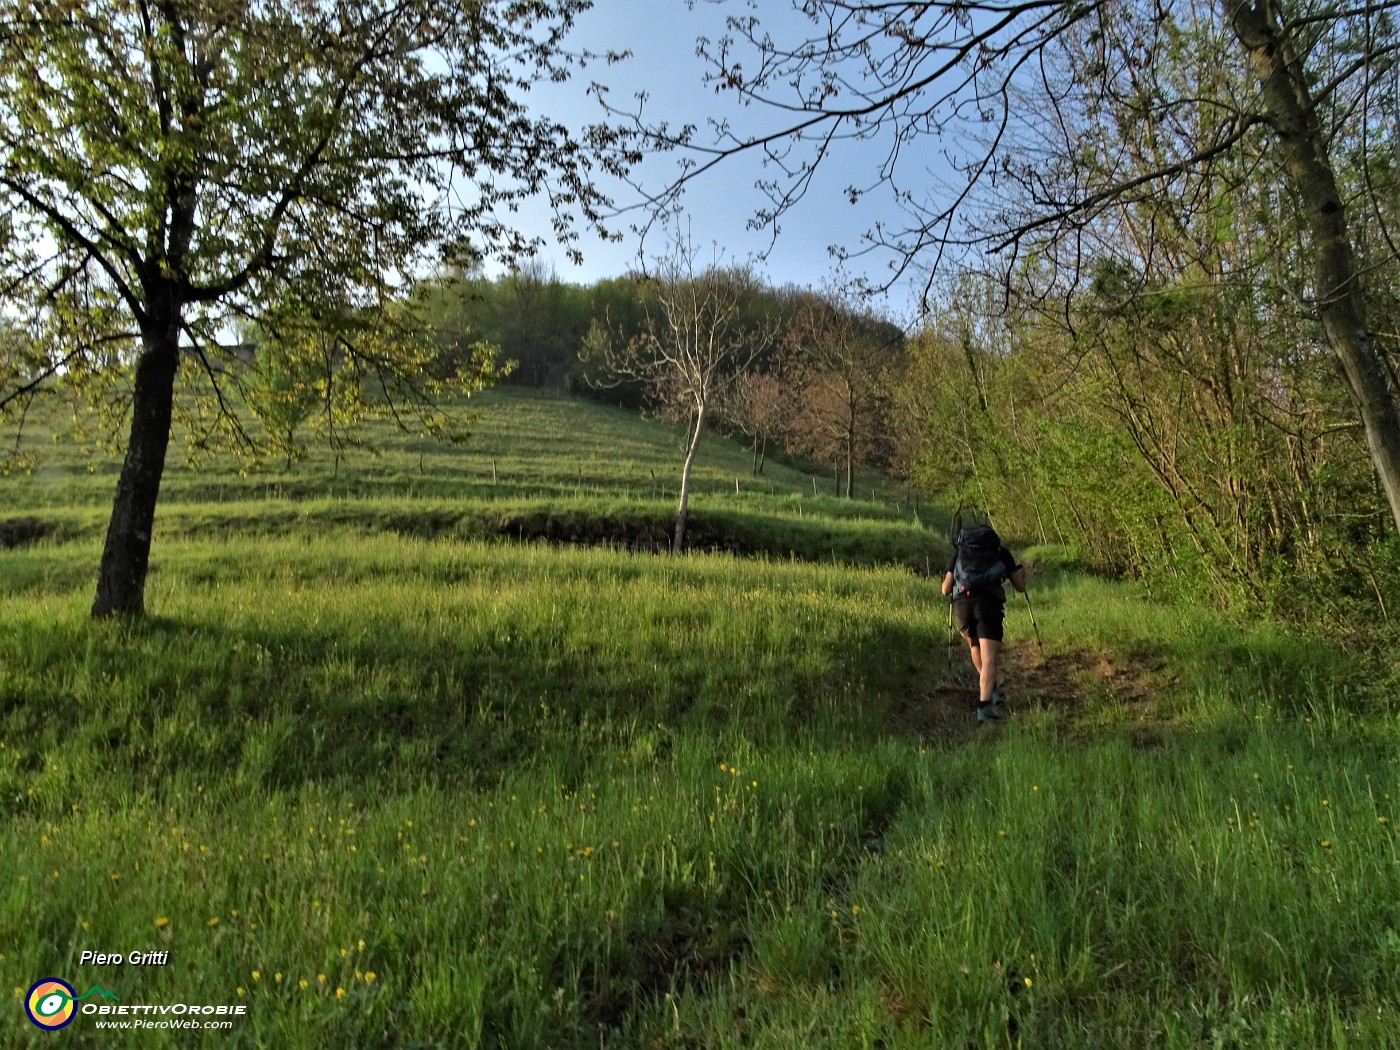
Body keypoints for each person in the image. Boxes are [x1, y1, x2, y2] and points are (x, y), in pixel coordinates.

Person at [941, 524, 1027, 723]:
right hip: (988, 604)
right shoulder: (1000, 552)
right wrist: (1022, 572)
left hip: (963, 606)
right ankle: (985, 706)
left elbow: (945, 589)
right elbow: (1020, 587)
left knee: (974, 645)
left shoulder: (959, 554)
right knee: (989, 658)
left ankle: (992, 689)